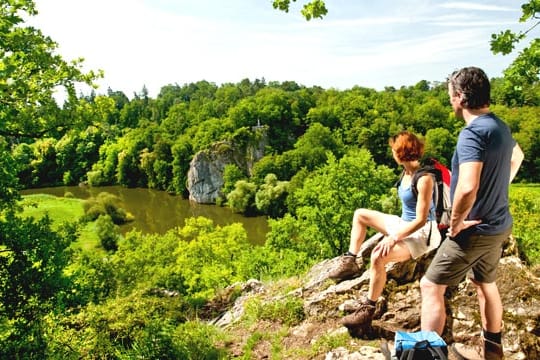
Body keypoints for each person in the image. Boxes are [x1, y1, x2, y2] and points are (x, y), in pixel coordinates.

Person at [419, 67, 524, 360]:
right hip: (499, 225)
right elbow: (518, 156)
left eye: (451, 95)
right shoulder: (500, 127)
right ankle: (493, 351)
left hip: (473, 231)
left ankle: (427, 356)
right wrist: (498, 184)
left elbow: (466, 187)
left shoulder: (472, 133)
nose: (450, 100)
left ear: (461, 97)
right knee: (485, 284)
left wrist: (456, 222)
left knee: (430, 286)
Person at [329, 130, 442, 329]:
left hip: (422, 233)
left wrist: (394, 237)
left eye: (393, 150)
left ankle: (367, 310)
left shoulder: (424, 178)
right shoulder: (405, 174)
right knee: (360, 214)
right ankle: (351, 261)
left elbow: (422, 220)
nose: (391, 153)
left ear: (401, 152)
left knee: (377, 256)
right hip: (404, 224)